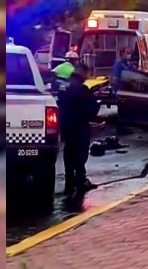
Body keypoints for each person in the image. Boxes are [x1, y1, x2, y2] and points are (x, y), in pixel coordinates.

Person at [58, 63, 100, 198]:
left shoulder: (64, 86)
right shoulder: (81, 89)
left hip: (65, 126)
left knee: (68, 153)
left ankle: (69, 182)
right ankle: (80, 181)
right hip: (79, 126)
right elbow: (91, 109)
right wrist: (95, 101)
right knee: (80, 153)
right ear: (83, 72)